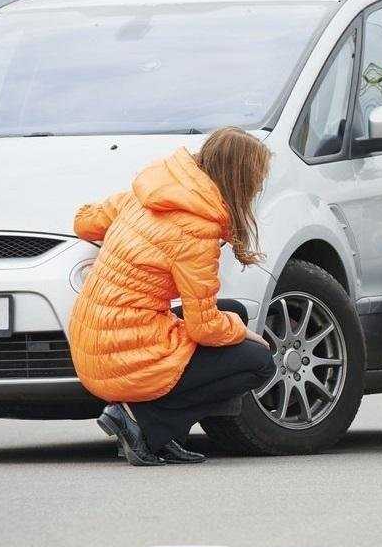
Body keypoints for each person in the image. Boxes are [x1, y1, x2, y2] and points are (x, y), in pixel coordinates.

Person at [68, 127, 277, 466]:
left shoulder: (152, 192)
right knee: (258, 361)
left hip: (93, 336)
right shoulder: (197, 230)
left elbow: (84, 222)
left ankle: (160, 433)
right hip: (121, 354)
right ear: (240, 181)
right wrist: (242, 331)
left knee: (233, 310)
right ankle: (142, 422)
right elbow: (204, 327)